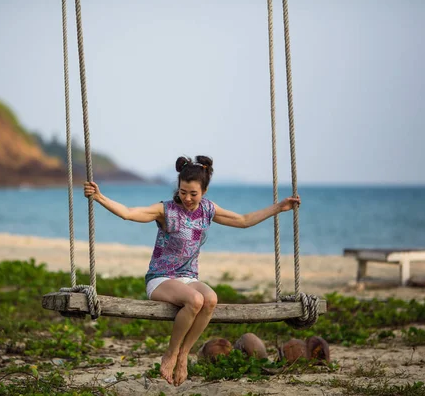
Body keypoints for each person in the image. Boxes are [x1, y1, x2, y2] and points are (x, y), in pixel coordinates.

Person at [83, 155, 300, 386]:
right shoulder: (165, 210)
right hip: (161, 278)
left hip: (188, 278)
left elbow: (244, 220)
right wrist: (99, 197)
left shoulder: (208, 209)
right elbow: (128, 213)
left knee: (210, 299)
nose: (187, 198)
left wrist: (279, 207)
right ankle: (171, 353)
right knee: (195, 300)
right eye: (183, 191)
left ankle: (184, 354)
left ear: (204, 191)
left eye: (193, 193)